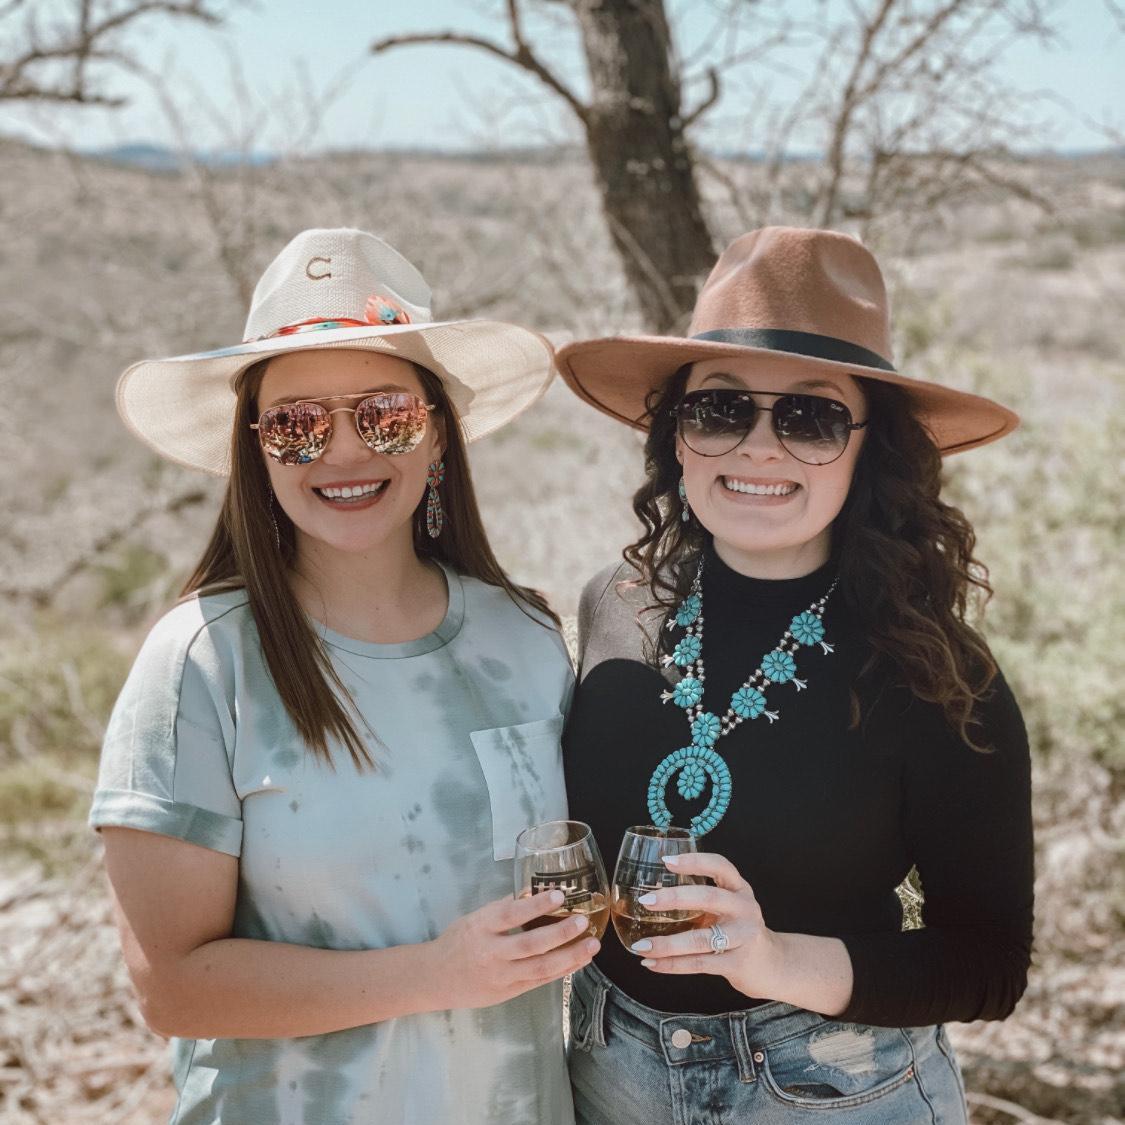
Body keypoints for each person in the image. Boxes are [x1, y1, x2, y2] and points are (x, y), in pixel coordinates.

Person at [90, 228, 598, 1124]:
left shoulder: (524, 638)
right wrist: (436, 974)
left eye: (384, 414)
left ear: (436, 437)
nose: (344, 451)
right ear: (256, 450)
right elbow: (173, 985)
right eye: (297, 424)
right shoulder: (200, 661)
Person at [554, 226, 1033, 1123]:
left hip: (831, 1087)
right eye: (719, 408)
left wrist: (771, 958)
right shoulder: (611, 602)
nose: (759, 447)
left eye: (810, 418)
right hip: (606, 1071)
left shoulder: (935, 672)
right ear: (676, 435)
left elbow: (987, 961)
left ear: (869, 449)